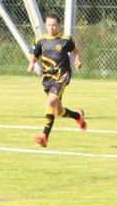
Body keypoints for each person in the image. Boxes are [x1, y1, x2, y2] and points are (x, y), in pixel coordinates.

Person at [27, 14, 86, 147]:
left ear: (59, 26)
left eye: (54, 25)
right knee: (58, 111)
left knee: (50, 101)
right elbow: (34, 55)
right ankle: (78, 116)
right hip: (48, 78)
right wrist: (32, 63)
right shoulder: (40, 40)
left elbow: (76, 50)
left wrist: (77, 61)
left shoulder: (65, 40)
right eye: (49, 25)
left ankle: (44, 137)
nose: (51, 27)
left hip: (62, 76)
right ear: (45, 25)